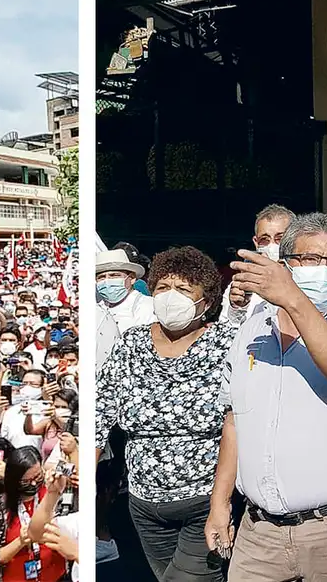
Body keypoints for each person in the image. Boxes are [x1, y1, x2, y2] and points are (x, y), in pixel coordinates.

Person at [210, 212, 327, 582]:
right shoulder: (251, 330)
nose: (322, 269)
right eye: (309, 259)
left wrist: (293, 300)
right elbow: (235, 420)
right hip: (259, 532)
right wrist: (220, 501)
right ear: (286, 264)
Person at [97, 245, 237, 582]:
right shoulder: (131, 344)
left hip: (205, 500)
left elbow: (238, 421)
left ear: (207, 302)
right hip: (144, 504)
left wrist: (220, 503)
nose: (171, 296)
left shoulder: (227, 343)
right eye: (163, 287)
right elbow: (99, 412)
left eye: (184, 289)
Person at [0, 446, 68, 582]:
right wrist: (20, 542)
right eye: (26, 481)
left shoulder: (52, 494)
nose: (33, 483)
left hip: (56, 576)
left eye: (37, 476)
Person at [219, 204, 295, 324]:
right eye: (264, 240)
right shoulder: (242, 284)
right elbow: (227, 329)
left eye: (280, 239)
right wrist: (237, 308)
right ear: (256, 242)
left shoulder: (307, 281)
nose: (272, 245)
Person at [96, 249, 156, 332]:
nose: (107, 281)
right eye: (101, 277)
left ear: (131, 278)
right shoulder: (97, 308)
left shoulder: (148, 306)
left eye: (114, 275)